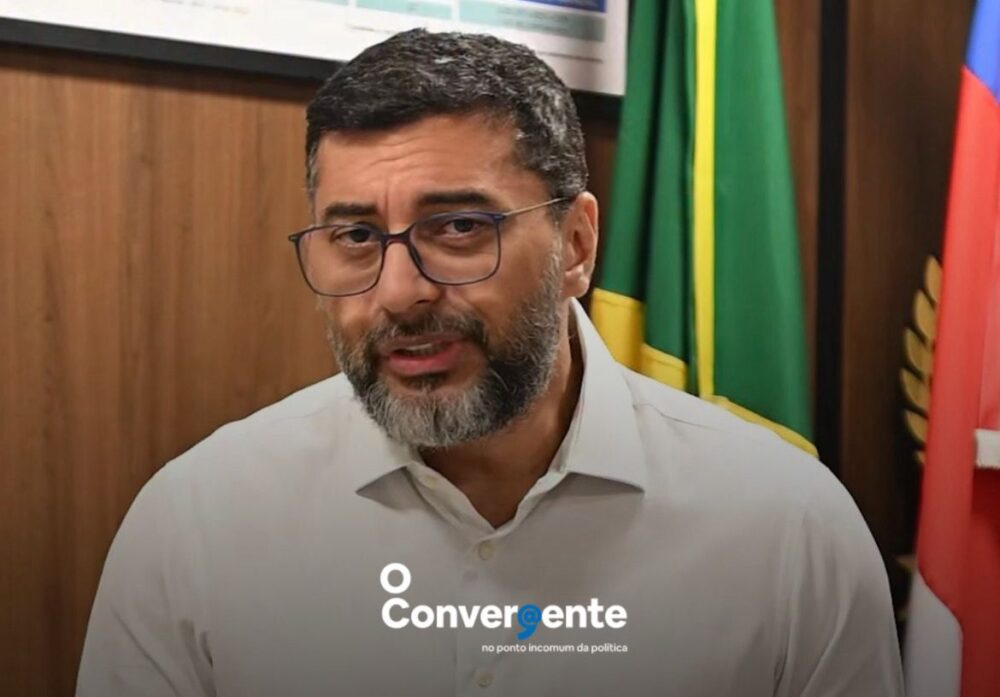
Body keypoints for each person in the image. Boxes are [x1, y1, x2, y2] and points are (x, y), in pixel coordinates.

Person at [77, 29, 904, 697]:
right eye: (356, 236)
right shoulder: (195, 525)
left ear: (575, 245)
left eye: (459, 228)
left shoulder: (789, 531)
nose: (399, 292)